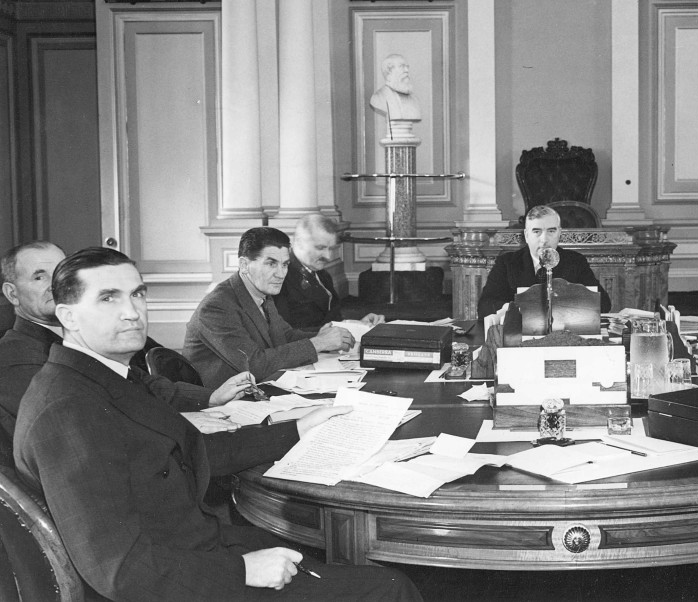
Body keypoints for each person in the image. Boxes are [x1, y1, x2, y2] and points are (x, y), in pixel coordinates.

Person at [13, 247, 421, 600]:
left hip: (196, 551)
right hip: (182, 582)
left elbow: (190, 448)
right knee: (389, 587)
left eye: (137, 294)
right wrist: (244, 571)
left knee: (361, 575)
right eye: (107, 298)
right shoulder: (67, 409)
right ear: (67, 315)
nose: (131, 312)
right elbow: (118, 571)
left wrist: (298, 428)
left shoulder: (106, 377)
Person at [0, 241, 248, 445]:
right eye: (39, 277)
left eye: (60, 271)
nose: (55, 284)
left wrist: (210, 398)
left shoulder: (96, 333)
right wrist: (178, 420)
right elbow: (86, 430)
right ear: (12, 293)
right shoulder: (13, 357)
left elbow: (143, 383)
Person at [183, 227, 348, 389]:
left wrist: (321, 335)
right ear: (244, 265)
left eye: (285, 264)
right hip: (220, 402)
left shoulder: (260, 292)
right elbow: (254, 364)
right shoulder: (217, 307)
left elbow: (285, 335)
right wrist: (319, 343)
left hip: (255, 389)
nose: (281, 273)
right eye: (271, 264)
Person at [477, 205, 611, 320]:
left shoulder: (575, 261)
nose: (544, 240)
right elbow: (485, 306)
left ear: (559, 233)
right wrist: (512, 308)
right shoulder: (507, 263)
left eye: (551, 231)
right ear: (526, 235)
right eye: (537, 231)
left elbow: (604, 304)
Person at [274, 214, 384, 332]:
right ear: (300, 242)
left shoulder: (322, 275)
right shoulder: (280, 277)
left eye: (330, 249)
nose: (328, 256)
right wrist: (342, 328)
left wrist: (359, 324)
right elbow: (285, 333)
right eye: (320, 248)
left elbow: (331, 318)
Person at [369, 53, 421, 125]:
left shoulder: (414, 99)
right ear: (389, 70)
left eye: (407, 67)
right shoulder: (378, 97)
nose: (406, 70)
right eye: (402, 66)